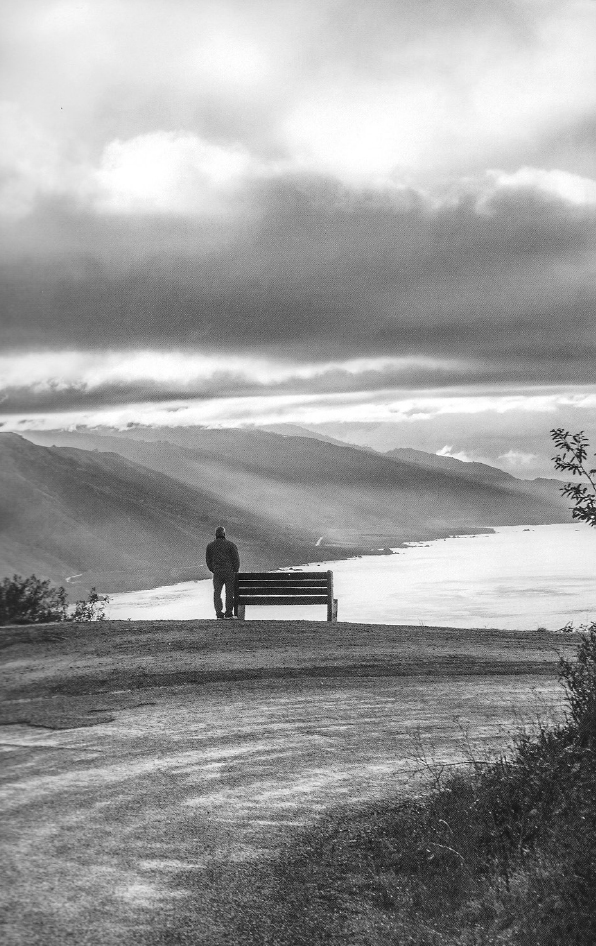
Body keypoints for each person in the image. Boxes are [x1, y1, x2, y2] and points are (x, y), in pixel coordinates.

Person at [205, 526, 240, 619]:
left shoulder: (210, 546)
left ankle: (219, 613)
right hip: (229, 573)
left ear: (216, 534)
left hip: (217, 573)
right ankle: (229, 612)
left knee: (217, 593)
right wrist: (234, 570)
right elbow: (236, 560)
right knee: (229, 593)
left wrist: (214, 569)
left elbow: (208, 560)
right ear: (224, 534)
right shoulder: (231, 545)